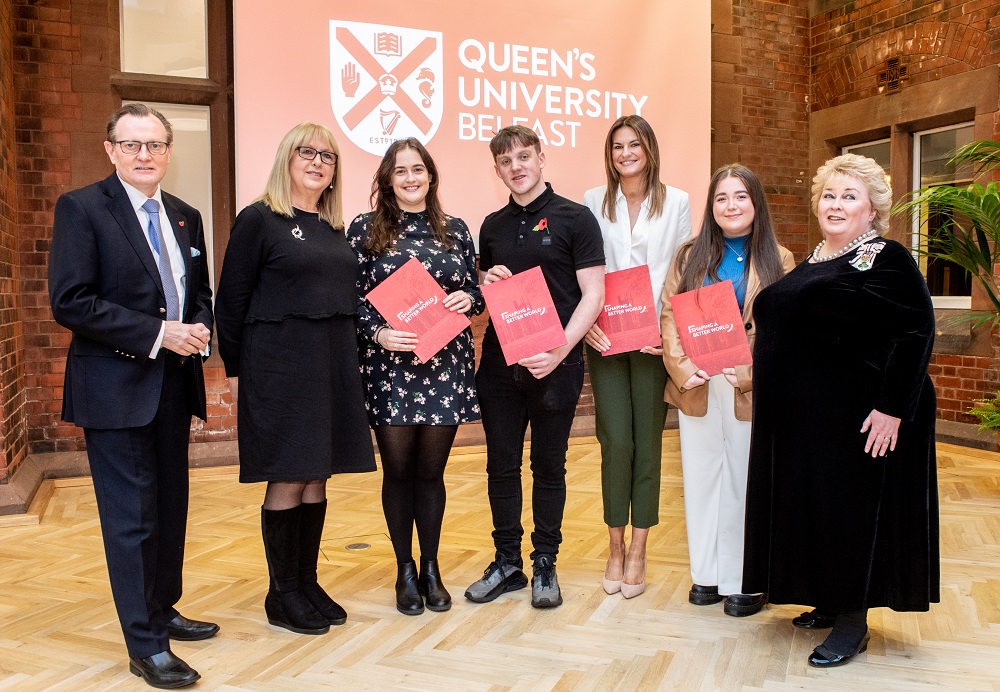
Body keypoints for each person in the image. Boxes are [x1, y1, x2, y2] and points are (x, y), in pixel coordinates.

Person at [742, 153, 939, 666]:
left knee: (849, 513)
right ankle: (829, 598)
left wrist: (892, 408)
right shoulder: (815, 259)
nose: (836, 204)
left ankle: (853, 621)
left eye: (849, 196)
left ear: (872, 209)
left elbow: (916, 330)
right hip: (810, 421)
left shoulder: (885, 256)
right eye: (829, 194)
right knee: (818, 507)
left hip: (860, 415)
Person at [48, 103, 217, 689]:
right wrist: (158, 333)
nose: (144, 155)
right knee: (132, 519)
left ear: (168, 151)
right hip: (114, 388)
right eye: (131, 144)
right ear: (110, 149)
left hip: (173, 383)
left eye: (155, 145)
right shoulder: (82, 208)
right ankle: (145, 645)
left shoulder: (186, 216)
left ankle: (162, 609)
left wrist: (199, 327)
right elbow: (71, 301)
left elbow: (199, 293)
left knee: (169, 508)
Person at [215, 123, 376, 637]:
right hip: (279, 367)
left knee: (316, 474)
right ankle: (281, 593)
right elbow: (230, 302)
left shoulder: (334, 227)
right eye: (307, 152)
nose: (317, 162)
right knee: (288, 474)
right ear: (287, 158)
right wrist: (236, 372)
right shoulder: (259, 219)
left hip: (330, 366)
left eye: (327, 157)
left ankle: (306, 583)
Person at [465, 125, 605, 609]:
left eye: (524, 156)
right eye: (506, 161)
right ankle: (507, 563)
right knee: (500, 466)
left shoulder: (576, 218)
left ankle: (545, 560)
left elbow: (593, 294)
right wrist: (486, 281)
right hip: (499, 367)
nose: (516, 167)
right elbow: (486, 294)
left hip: (556, 365)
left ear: (541, 158)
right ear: (497, 169)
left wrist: (560, 351)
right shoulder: (491, 225)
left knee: (549, 466)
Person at [347, 138, 483, 616]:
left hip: (445, 365)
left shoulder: (456, 229)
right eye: (401, 170)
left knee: (431, 474)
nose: (410, 178)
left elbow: (473, 289)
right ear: (388, 179)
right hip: (391, 368)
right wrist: (379, 333)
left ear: (431, 175)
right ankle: (404, 569)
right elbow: (350, 296)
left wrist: (470, 299)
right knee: (399, 472)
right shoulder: (365, 229)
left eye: (418, 169)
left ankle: (431, 567)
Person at [660, 164, 795, 616]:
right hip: (698, 383)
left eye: (740, 196)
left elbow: (786, 329)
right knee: (700, 479)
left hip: (746, 385)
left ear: (756, 203)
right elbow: (669, 315)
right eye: (721, 197)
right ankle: (707, 575)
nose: (730, 205)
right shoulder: (688, 255)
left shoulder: (780, 258)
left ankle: (744, 579)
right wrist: (682, 369)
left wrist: (752, 372)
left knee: (744, 479)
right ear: (711, 205)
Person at [582, 115, 691, 599]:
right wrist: (586, 323)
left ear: (649, 149)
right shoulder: (592, 201)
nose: (625, 153)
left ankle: (639, 551)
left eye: (634, 144)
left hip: (652, 340)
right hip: (605, 338)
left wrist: (670, 335)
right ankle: (614, 546)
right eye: (617, 146)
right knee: (616, 443)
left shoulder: (678, 202)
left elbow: (684, 271)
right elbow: (582, 268)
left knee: (647, 444)